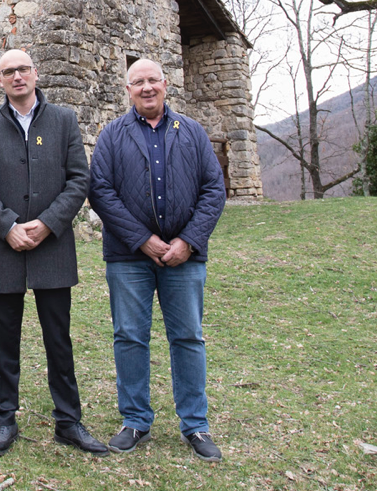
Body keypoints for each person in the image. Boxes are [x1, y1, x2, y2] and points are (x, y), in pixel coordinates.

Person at [0, 49, 108, 457]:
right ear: (0, 80)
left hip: (53, 248)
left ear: (36, 73)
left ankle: (69, 420)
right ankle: (5, 420)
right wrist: (7, 226)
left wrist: (48, 223)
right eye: (8, 71)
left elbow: (79, 179)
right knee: (5, 340)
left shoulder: (63, 119)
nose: (16, 77)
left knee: (58, 340)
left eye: (22, 69)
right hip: (4, 247)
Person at [88, 58, 226, 462]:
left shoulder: (193, 132)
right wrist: (142, 239)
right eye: (137, 82)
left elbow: (213, 189)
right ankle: (135, 420)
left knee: (188, 338)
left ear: (166, 85)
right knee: (130, 336)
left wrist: (188, 240)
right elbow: (101, 192)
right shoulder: (113, 135)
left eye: (152, 81)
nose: (146, 88)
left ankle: (195, 425)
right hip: (128, 257)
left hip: (185, 258)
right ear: (127, 90)